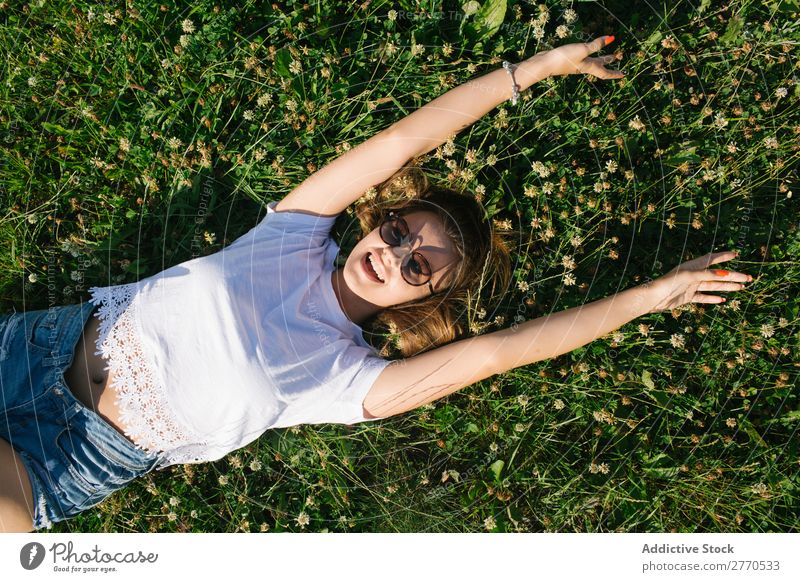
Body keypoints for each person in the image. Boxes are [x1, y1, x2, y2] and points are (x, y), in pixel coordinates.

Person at [0, 37, 753, 532]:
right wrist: (527, 74)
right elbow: (399, 142)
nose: (393, 256)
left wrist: (650, 296)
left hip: (63, 460)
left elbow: (499, 354)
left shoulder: (349, 378)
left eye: (417, 267)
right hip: (32, 354)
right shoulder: (289, 236)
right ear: (377, 220)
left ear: (424, 299)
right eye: (397, 233)